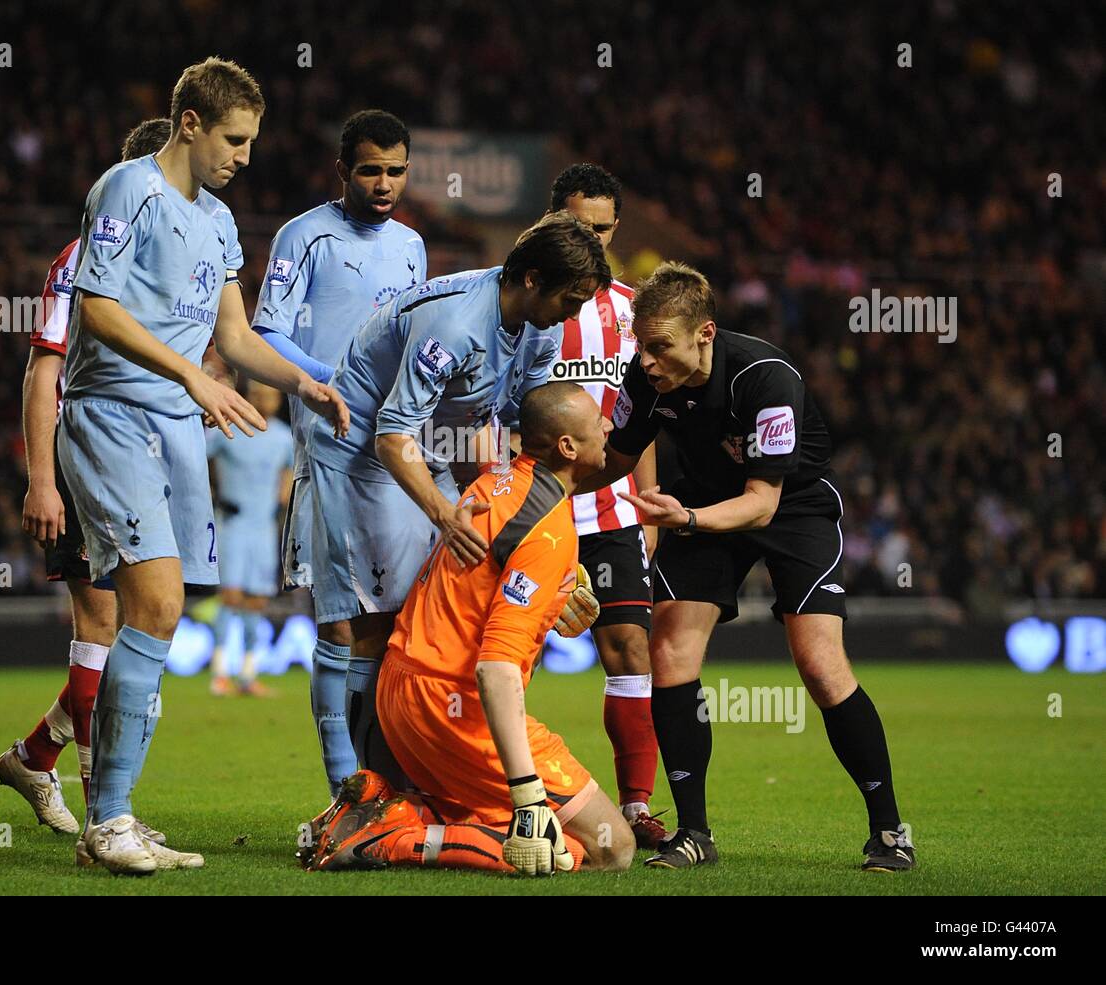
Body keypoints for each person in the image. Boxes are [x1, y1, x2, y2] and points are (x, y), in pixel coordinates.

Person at [58, 57, 349, 875]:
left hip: (178, 425)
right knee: (151, 598)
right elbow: (98, 307)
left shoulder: (219, 221)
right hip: (112, 413)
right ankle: (107, 816)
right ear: (190, 123)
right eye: (235, 138)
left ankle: (113, 814)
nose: (245, 155)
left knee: (166, 609)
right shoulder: (127, 189)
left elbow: (235, 336)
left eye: (251, 140)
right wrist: (185, 373)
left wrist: (306, 384)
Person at [577, 260, 915, 872]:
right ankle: (694, 833)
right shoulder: (646, 379)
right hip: (701, 504)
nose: (647, 362)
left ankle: (890, 831)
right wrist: (537, 495)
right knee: (671, 653)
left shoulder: (766, 379)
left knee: (819, 663)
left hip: (792, 509)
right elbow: (613, 461)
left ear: (704, 334)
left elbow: (762, 505)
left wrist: (684, 521)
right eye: (641, 348)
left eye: (660, 348)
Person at [305, 211, 609, 789]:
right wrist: (445, 513)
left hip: (431, 450)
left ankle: (421, 773)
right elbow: (392, 433)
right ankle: (356, 791)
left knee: (446, 600)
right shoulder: (456, 324)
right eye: (569, 299)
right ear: (530, 279)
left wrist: (542, 561)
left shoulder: (541, 328)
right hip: (360, 452)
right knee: (372, 622)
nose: (573, 314)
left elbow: (525, 427)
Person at [307, 382, 635, 874]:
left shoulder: (492, 484)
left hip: (402, 686)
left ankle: (384, 808)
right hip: (451, 705)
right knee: (610, 849)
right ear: (568, 447)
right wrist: (528, 798)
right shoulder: (548, 529)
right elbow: (496, 669)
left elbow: (482, 590)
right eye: (597, 422)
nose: (608, 426)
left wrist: (554, 600)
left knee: (516, 823)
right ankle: (395, 837)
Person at [0, 118, 177, 840]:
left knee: (139, 627)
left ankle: (36, 757)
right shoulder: (82, 259)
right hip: (85, 454)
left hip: (142, 457)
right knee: (107, 627)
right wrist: (41, 478)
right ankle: (109, 812)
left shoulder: (176, 254)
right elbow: (44, 368)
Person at [250, 110, 425, 795]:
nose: (384, 184)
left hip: (394, 446)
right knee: (340, 619)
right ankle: (341, 785)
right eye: (370, 170)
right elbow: (266, 331)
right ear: (342, 171)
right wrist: (329, 378)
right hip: (328, 442)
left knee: (387, 619)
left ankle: (379, 776)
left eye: (396, 171)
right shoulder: (304, 236)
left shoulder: (412, 245)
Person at [547, 164, 664, 848]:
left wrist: (646, 506)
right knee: (510, 657)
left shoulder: (631, 311)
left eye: (600, 228)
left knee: (630, 648)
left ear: (615, 227)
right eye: (574, 227)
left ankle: (637, 805)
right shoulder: (523, 302)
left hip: (613, 513)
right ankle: (497, 796)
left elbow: (638, 418)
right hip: (537, 511)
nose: (588, 240)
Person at [203, 380, 294, 697]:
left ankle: (248, 675)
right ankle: (219, 675)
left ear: (278, 399)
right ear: (247, 397)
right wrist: (213, 492)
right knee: (230, 597)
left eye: (269, 394)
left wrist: (283, 496)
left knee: (256, 601)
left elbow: (290, 476)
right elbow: (199, 458)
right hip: (233, 525)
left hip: (264, 529)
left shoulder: (284, 437)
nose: (263, 400)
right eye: (257, 394)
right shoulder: (227, 429)